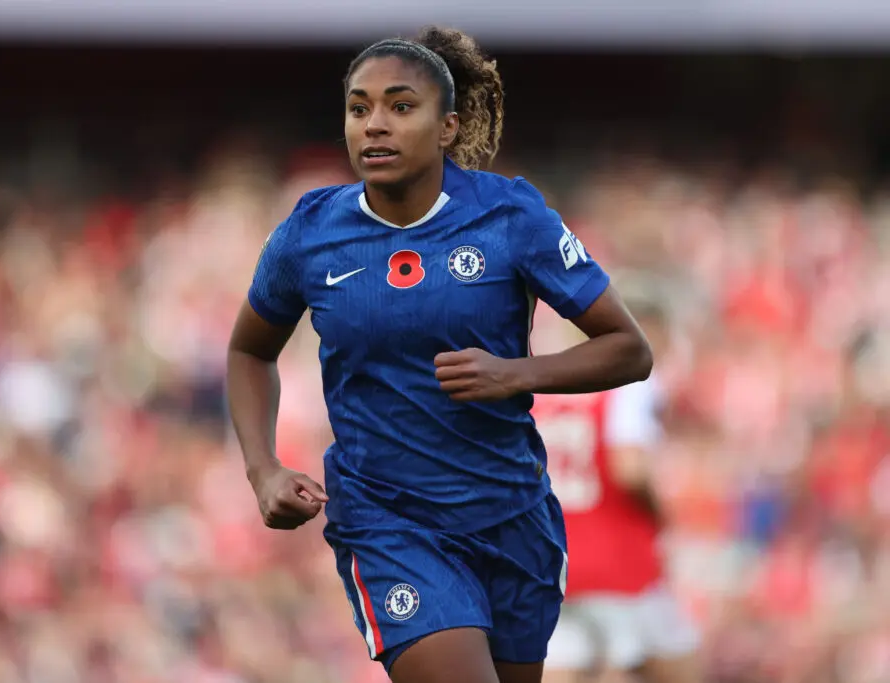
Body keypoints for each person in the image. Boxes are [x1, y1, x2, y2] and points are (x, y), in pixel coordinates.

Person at [226, 26, 653, 683]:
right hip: (390, 522)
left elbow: (629, 348)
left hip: (514, 519)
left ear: (448, 126)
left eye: (401, 107)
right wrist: (263, 468)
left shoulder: (512, 218)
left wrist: (516, 373)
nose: (375, 125)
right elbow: (250, 349)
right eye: (359, 108)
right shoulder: (310, 233)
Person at [536, 301, 702, 683]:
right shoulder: (627, 387)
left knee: (563, 667)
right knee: (671, 662)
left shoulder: (542, 395)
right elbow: (629, 468)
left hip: (556, 564)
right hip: (619, 563)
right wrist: (660, 511)